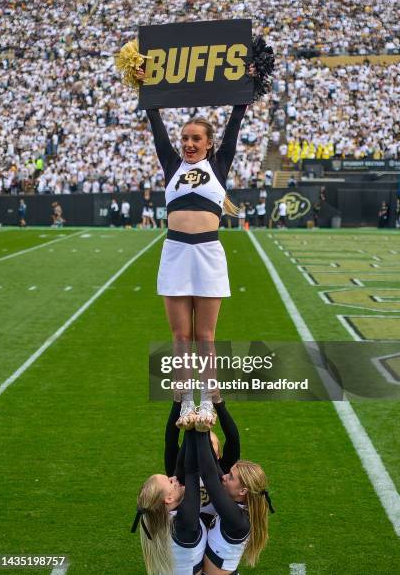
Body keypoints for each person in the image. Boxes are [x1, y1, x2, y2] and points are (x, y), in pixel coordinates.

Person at [135, 66, 253, 427]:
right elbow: (154, 121)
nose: (188, 144)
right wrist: (143, 85)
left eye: (195, 139)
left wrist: (246, 83)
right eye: (184, 138)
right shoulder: (171, 164)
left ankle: (209, 401)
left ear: (209, 143)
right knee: (180, 335)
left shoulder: (218, 164)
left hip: (207, 253)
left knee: (205, 335)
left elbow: (236, 118)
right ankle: (186, 400)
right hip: (174, 252)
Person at [195, 428, 272, 574]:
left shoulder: (236, 518)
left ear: (243, 491)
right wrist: (205, 427)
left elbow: (208, 475)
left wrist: (200, 431)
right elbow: (213, 466)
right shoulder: (237, 506)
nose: (223, 477)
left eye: (230, 476)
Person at [133, 431, 206, 575]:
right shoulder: (183, 524)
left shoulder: (153, 517)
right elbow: (191, 471)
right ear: (169, 499)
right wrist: (199, 432)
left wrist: (188, 428)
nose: (174, 477)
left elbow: (180, 463)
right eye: (169, 481)